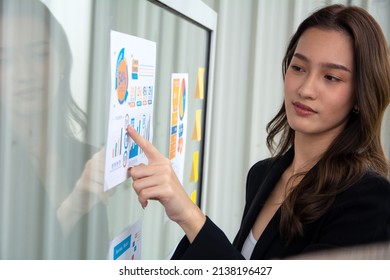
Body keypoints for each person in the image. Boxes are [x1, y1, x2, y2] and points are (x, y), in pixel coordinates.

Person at [127, 4, 390, 259]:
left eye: (331, 77)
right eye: (298, 68)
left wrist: (188, 214)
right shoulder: (262, 175)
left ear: (361, 94)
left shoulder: (371, 201)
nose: (306, 89)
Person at [0, 0, 109, 259]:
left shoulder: (88, 160)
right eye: (4, 59)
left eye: (39, 54)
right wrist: (73, 207)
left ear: (62, 62)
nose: (24, 73)